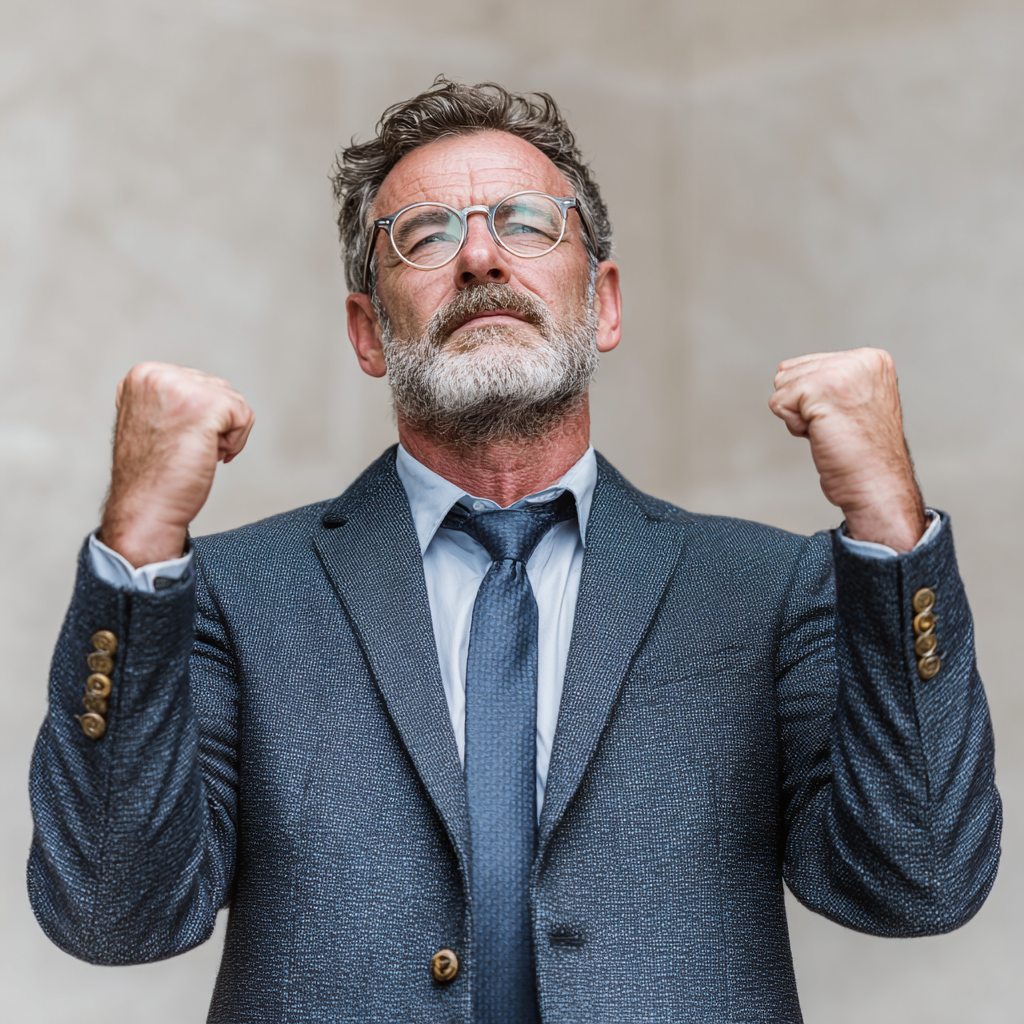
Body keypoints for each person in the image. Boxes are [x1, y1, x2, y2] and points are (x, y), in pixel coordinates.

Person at [28, 79, 1000, 1024]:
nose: (482, 257)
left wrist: (889, 527)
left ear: (603, 303)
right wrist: (141, 546)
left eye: (527, 223)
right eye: (427, 234)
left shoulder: (766, 590)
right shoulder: (232, 595)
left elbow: (920, 879)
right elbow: (113, 912)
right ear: (368, 331)